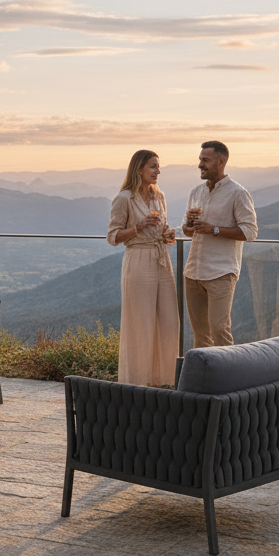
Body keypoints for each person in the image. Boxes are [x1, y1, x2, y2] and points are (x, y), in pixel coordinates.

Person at [107, 149, 179, 386]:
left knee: (169, 322)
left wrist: (168, 234)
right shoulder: (124, 199)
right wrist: (138, 227)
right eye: (153, 166)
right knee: (141, 323)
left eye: (158, 166)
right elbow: (113, 237)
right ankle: (136, 382)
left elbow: (163, 227)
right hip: (138, 261)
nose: (158, 171)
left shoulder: (159, 196)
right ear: (139, 169)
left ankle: (164, 380)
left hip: (162, 260)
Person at [180, 140, 258, 348]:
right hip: (193, 272)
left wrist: (214, 229)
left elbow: (250, 232)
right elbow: (187, 231)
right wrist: (189, 224)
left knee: (219, 330)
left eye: (205, 160)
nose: (200, 164)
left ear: (221, 161)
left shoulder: (238, 193)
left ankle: (230, 370)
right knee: (200, 336)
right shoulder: (196, 192)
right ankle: (203, 370)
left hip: (221, 272)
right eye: (200, 160)